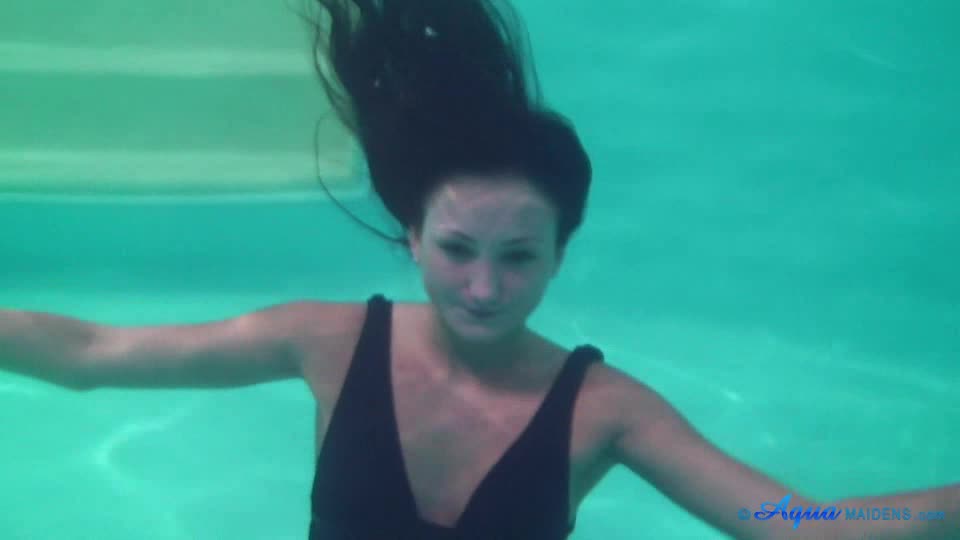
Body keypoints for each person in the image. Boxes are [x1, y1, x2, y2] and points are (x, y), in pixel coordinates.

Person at [1, 0, 956, 538]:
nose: (485, 288)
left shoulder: (604, 409)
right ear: (411, 238)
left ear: (560, 256)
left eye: (519, 257)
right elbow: (92, 352)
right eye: (457, 249)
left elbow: (795, 521)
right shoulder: (328, 342)